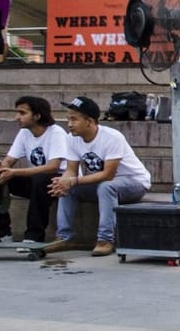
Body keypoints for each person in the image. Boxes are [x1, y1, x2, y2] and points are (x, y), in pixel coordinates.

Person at [47, 96, 151, 256]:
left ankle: (105, 240)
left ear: (89, 121)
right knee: (69, 188)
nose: (69, 124)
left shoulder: (112, 137)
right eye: (68, 119)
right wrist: (64, 181)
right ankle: (64, 237)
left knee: (106, 187)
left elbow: (108, 175)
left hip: (135, 183)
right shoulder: (71, 139)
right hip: (105, 185)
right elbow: (71, 170)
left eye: (74, 120)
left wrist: (72, 180)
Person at [0, 96, 67, 243]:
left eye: (22, 113)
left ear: (37, 116)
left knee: (41, 181)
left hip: (60, 182)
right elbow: (9, 160)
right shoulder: (25, 132)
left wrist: (14, 172)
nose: (16, 117)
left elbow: (53, 167)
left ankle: (34, 237)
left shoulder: (56, 132)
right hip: (37, 181)